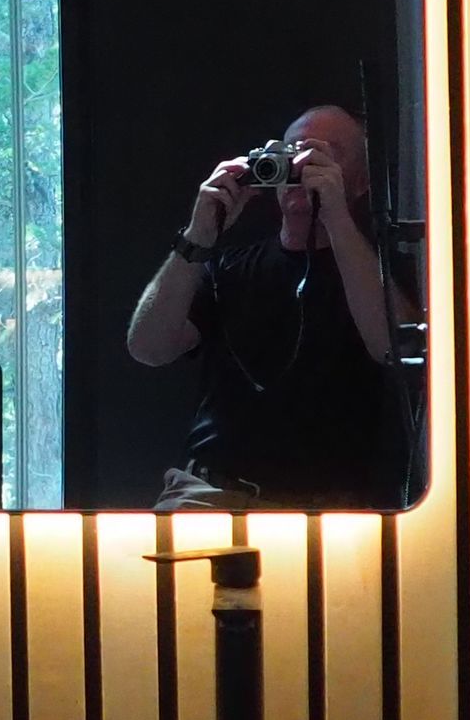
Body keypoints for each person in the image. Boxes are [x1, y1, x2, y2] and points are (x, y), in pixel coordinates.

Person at [126, 105, 411, 509]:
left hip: (332, 508)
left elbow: (393, 348)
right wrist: (198, 234)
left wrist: (335, 216)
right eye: (291, 152)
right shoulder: (228, 268)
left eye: (325, 153)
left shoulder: (381, 272)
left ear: (362, 182)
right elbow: (148, 348)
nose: (301, 164)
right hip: (211, 492)